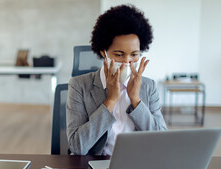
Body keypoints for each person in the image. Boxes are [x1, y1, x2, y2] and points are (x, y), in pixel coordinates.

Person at [66, 4, 167, 155]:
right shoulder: (79, 86)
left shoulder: (148, 86)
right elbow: (77, 147)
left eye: (134, 55)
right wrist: (110, 101)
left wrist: (136, 100)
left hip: (137, 165)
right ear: (103, 52)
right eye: (119, 55)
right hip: (96, 166)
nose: (127, 62)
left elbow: (162, 142)